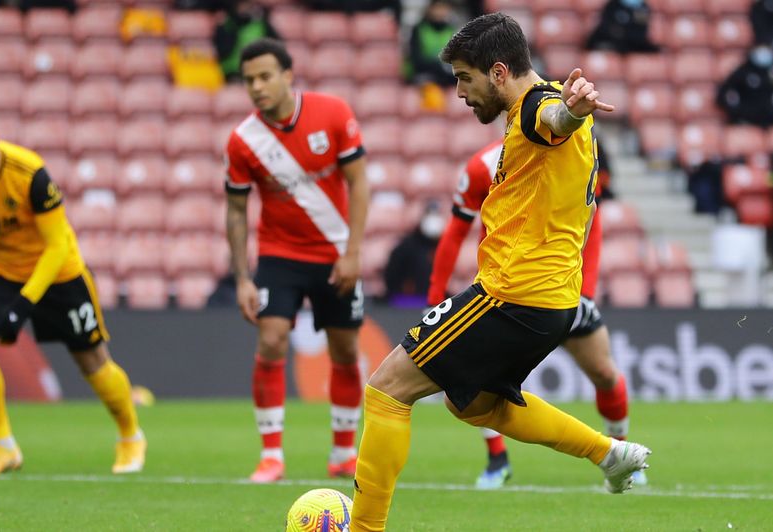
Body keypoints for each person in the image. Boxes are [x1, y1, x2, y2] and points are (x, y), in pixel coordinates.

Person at [350, 14, 650, 530]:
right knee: (473, 405)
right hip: (552, 301)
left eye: (465, 78)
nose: (460, 92)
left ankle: (363, 528)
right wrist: (571, 113)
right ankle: (607, 453)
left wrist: (572, 115)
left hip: (514, 294)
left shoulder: (537, 106)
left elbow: (555, 120)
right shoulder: (539, 101)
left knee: (386, 388)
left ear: (498, 71)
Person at [427, 139, 647, 490]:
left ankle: (622, 452)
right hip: (505, 295)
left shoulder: (565, 155)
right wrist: (435, 294)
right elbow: (455, 233)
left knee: (605, 374)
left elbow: (592, 217)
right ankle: (498, 460)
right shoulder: (481, 167)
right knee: (474, 382)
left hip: (561, 289)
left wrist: (586, 292)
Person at [0, 104, 145, 478]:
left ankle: (130, 435)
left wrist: (22, 306)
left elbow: (56, 246)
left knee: (92, 362)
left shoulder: (30, 174)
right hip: (2, 271)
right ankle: (3, 447)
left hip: (58, 273)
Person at [224, 38, 370, 484]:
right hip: (279, 255)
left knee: (345, 350)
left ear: (288, 75)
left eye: (265, 76)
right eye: (249, 80)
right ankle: (271, 456)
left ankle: (343, 452)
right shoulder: (243, 141)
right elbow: (235, 210)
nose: (256, 87)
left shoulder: (333, 113)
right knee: (270, 341)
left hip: (333, 254)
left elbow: (359, 183)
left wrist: (353, 253)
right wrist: (243, 278)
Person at [383, 201, 445, 306]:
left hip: (432, 301)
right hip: (406, 302)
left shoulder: (442, 247)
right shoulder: (406, 246)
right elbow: (391, 275)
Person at [214, 0, 281, 83]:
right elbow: (223, 52)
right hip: (231, 74)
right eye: (242, 5)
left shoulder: (262, 25)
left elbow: (276, 47)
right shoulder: (226, 25)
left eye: (248, 5)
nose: (245, 9)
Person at [406, 0, 462, 87]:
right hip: (425, 74)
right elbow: (416, 61)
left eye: (444, 8)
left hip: (446, 76)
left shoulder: (451, 30)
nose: (440, 12)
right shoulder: (419, 29)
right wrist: (439, 66)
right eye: (437, 8)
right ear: (430, 9)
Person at [717, 44, 773, 127]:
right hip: (741, 121)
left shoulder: (768, 75)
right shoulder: (742, 73)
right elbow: (724, 96)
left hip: (764, 123)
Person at [585, 0, 658, 53]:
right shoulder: (613, 5)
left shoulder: (642, 8)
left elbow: (641, 31)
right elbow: (607, 28)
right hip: (613, 41)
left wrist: (623, 31)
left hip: (632, 44)